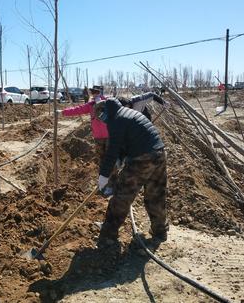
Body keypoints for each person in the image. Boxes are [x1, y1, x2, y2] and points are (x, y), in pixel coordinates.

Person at [95, 98, 169, 247]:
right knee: (156, 195)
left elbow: (112, 150)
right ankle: (160, 231)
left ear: (106, 112)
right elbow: (125, 142)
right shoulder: (128, 113)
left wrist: (103, 176)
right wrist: (121, 159)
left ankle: (108, 234)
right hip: (159, 154)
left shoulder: (116, 119)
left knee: (122, 195)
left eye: (102, 117)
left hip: (142, 158)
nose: (103, 121)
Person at [59, 85, 108, 163]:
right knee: (106, 157)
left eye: (95, 92)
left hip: (105, 136)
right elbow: (78, 110)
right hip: (102, 136)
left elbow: (78, 110)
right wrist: (64, 112)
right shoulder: (93, 104)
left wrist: (63, 112)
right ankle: (107, 172)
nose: (94, 94)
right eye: (93, 92)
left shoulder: (107, 103)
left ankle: (108, 172)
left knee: (105, 157)